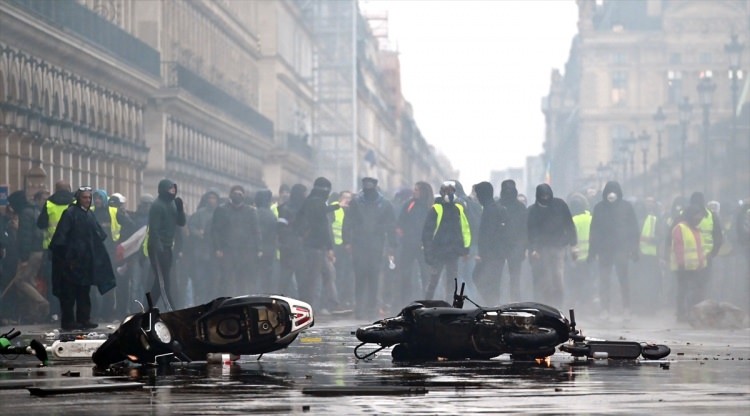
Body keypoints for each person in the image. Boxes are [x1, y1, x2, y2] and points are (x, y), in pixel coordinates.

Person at [49, 186, 116, 330]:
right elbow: (61, 238)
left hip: (85, 261)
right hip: (71, 261)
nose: (87, 200)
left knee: (84, 292)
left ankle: (84, 319)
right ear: (78, 198)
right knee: (69, 293)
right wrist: (67, 259)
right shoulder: (70, 213)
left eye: (89, 198)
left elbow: (98, 234)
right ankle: (68, 321)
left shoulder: (89, 214)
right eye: (84, 197)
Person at [343, 177, 397, 319]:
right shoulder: (356, 203)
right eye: (365, 184)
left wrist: (392, 245)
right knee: (359, 277)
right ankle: (359, 308)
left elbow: (391, 226)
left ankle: (371, 308)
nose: (367, 187)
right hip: (359, 244)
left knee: (374, 277)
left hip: (377, 246)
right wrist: (347, 241)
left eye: (370, 184)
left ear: (375, 186)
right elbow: (347, 222)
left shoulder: (385, 204)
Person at [588, 181, 639, 319]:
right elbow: (594, 230)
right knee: (604, 280)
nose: (611, 194)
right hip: (605, 250)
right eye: (609, 191)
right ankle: (605, 309)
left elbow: (634, 229)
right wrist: (592, 252)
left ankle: (626, 307)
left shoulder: (626, 207)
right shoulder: (599, 208)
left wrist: (634, 249)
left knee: (623, 279)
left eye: (614, 191)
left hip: (621, 248)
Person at [526, 183, 576, 308]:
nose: (545, 198)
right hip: (542, 250)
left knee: (558, 278)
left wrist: (573, 244)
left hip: (558, 247)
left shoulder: (560, 205)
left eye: (547, 195)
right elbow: (531, 231)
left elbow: (569, 224)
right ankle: (549, 306)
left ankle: (559, 305)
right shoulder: (533, 211)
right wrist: (534, 249)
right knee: (546, 280)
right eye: (543, 195)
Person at [421, 181, 471, 301]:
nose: (449, 193)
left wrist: (465, 249)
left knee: (451, 283)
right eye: (447, 191)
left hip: (453, 252)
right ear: (442, 192)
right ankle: (426, 304)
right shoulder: (436, 208)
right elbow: (427, 233)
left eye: (451, 191)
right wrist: (428, 253)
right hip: (438, 252)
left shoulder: (458, 208)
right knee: (433, 282)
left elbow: (465, 229)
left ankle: (449, 306)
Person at [297, 177, 340, 312]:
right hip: (314, 247)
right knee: (314, 279)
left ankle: (331, 304)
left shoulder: (312, 202)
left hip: (318, 247)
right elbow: (322, 227)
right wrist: (329, 248)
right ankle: (311, 307)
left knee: (327, 274)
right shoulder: (314, 202)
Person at [7, 190, 49, 322]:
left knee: (21, 281)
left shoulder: (25, 214)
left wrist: (24, 258)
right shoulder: (34, 211)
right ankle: (34, 313)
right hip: (39, 250)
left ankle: (42, 302)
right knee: (30, 280)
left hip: (31, 252)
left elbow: (25, 237)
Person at [211, 185, 261, 295]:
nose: (237, 196)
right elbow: (216, 231)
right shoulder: (222, 210)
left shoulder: (250, 211)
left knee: (242, 280)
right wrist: (218, 248)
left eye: (240, 194)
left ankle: (240, 301)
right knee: (226, 278)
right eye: (235, 193)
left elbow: (256, 231)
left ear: (243, 196)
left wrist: (258, 249)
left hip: (245, 251)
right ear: (230, 195)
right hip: (227, 250)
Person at [147, 179, 186, 309]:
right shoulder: (157, 205)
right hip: (158, 248)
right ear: (163, 190)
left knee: (162, 281)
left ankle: (146, 310)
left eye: (174, 189)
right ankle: (171, 309)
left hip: (168, 247)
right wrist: (159, 249)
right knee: (163, 282)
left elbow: (181, 223)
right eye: (170, 189)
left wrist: (180, 210)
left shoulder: (173, 204)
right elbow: (154, 229)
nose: (173, 191)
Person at [665, 204, 708, 323]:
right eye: (696, 215)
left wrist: (701, 263)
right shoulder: (680, 227)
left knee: (695, 291)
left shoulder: (697, 229)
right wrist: (681, 263)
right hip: (682, 267)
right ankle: (681, 313)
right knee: (683, 290)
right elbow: (678, 247)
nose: (699, 218)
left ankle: (692, 313)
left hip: (696, 267)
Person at [395, 181, 433, 307]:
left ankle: (428, 301)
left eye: (417, 189)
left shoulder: (430, 206)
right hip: (408, 244)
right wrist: (400, 231)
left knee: (426, 274)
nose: (414, 191)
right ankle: (405, 302)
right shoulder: (409, 204)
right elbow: (400, 220)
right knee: (405, 273)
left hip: (425, 246)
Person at [472, 181, 508, 305]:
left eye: (478, 194)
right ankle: (493, 304)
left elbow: (489, 234)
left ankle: (493, 304)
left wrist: (482, 254)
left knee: (479, 277)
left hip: (492, 255)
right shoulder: (492, 208)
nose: (476, 197)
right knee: (492, 281)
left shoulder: (490, 210)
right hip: (497, 254)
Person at [497, 179, 528, 303]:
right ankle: (498, 301)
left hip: (516, 247)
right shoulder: (497, 206)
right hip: (500, 247)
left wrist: (523, 247)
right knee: (498, 277)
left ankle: (515, 301)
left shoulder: (521, 208)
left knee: (514, 278)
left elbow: (525, 229)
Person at [187, 190, 219, 303]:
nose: (212, 200)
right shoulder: (199, 213)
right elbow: (191, 226)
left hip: (215, 253)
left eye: (214, 198)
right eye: (210, 198)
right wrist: (199, 233)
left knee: (214, 281)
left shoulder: (221, 212)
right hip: (201, 252)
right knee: (200, 281)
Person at [276, 184, 308, 296]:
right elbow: (281, 229)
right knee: (284, 280)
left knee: (303, 281)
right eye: (304, 193)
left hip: (301, 249)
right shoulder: (285, 209)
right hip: (289, 250)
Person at [567, 193, 593, 311]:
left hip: (576, 257)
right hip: (591, 257)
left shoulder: (573, 221)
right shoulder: (591, 218)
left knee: (576, 282)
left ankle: (577, 304)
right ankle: (588, 302)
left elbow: (570, 240)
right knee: (589, 280)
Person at [330, 191, 354, 309]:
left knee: (346, 274)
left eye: (349, 198)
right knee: (337, 273)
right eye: (345, 197)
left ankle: (345, 299)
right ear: (340, 198)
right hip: (336, 246)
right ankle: (336, 300)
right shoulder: (335, 208)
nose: (347, 200)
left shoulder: (351, 210)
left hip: (346, 247)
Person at [255, 189, 277, 295]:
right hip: (270, 249)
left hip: (255, 249)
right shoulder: (271, 214)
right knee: (267, 275)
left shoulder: (255, 213)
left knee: (257, 274)